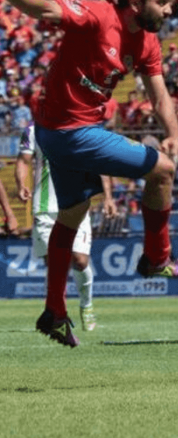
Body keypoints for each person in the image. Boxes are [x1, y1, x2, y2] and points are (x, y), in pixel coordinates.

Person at [0, 0, 178, 348]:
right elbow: (43, 9)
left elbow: (159, 96)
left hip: (60, 134)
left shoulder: (148, 41)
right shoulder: (97, 15)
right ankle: (158, 259)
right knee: (163, 170)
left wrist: (174, 134)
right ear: (135, 3)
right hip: (71, 132)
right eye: (162, 2)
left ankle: (54, 312)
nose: (170, 9)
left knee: (72, 215)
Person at [15, 123, 117, 330]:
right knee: (53, 264)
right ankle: (57, 313)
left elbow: (99, 163)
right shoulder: (33, 130)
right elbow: (23, 160)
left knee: (80, 260)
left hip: (76, 204)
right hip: (45, 207)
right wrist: (20, 184)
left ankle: (86, 305)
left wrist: (108, 197)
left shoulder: (82, 126)